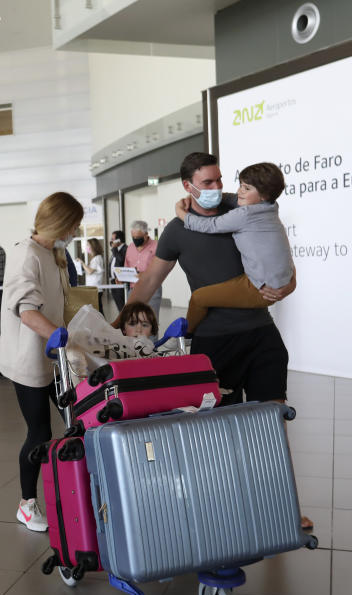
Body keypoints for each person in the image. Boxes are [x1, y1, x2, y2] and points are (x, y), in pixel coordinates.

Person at [125, 152, 311, 530]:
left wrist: (289, 283)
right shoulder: (178, 230)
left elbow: (277, 249)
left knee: (273, 423)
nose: (217, 188)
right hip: (213, 344)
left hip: (260, 333)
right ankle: (226, 510)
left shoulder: (241, 206)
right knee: (219, 434)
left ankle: (282, 508)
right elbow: (148, 282)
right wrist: (119, 322)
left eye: (219, 180)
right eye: (207, 183)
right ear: (188, 185)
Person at [0, 192, 84, 532]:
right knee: (40, 432)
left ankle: (78, 490)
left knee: (79, 417)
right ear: (61, 223)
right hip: (30, 358)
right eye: (74, 225)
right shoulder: (25, 254)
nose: (76, 231)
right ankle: (26, 503)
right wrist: (58, 337)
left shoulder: (54, 253)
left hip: (56, 356)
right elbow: (27, 311)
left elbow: (61, 302)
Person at [174, 162, 293, 333]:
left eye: (246, 188)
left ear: (264, 195)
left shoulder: (244, 214)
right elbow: (235, 199)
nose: (239, 192)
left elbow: (210, 225)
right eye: (240, 186)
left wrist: (180, 212)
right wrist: (217, 196)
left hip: (261, 290)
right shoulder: (269, 207)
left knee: (199, 298)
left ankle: (184, 335)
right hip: (279, 282)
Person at [125, 220, 161, 314]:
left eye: (138, 237)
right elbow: (127, 266)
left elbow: (161, 268)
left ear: (146, 234)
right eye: (133, 237)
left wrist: (144, 275)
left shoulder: (156, 246)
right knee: (131, 318)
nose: (135, 239)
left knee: (151, 318)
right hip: (133, 289)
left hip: (152, 289)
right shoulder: (130, 247)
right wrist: (122, 277)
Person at [76, 238, 106, 314]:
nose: (86, 247)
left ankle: (103, 325)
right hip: (93, 289)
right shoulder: (94, 259)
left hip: (96, 289)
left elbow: (90, 271)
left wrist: (82, 263)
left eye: (88, 245)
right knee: (97, 310)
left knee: (98, 310)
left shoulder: (97, 258)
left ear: (93, 246)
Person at [109, 230, 128, 311]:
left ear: (118, 240)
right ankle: (121, 319)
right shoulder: (116, 250)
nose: (111, 241)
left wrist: (114, 249)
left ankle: (124, 321)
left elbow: (121, 260)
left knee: (122, 304)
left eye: (113, 239)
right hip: (113, 280)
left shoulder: (125, 249)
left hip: (120, 281)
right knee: (118, 304)